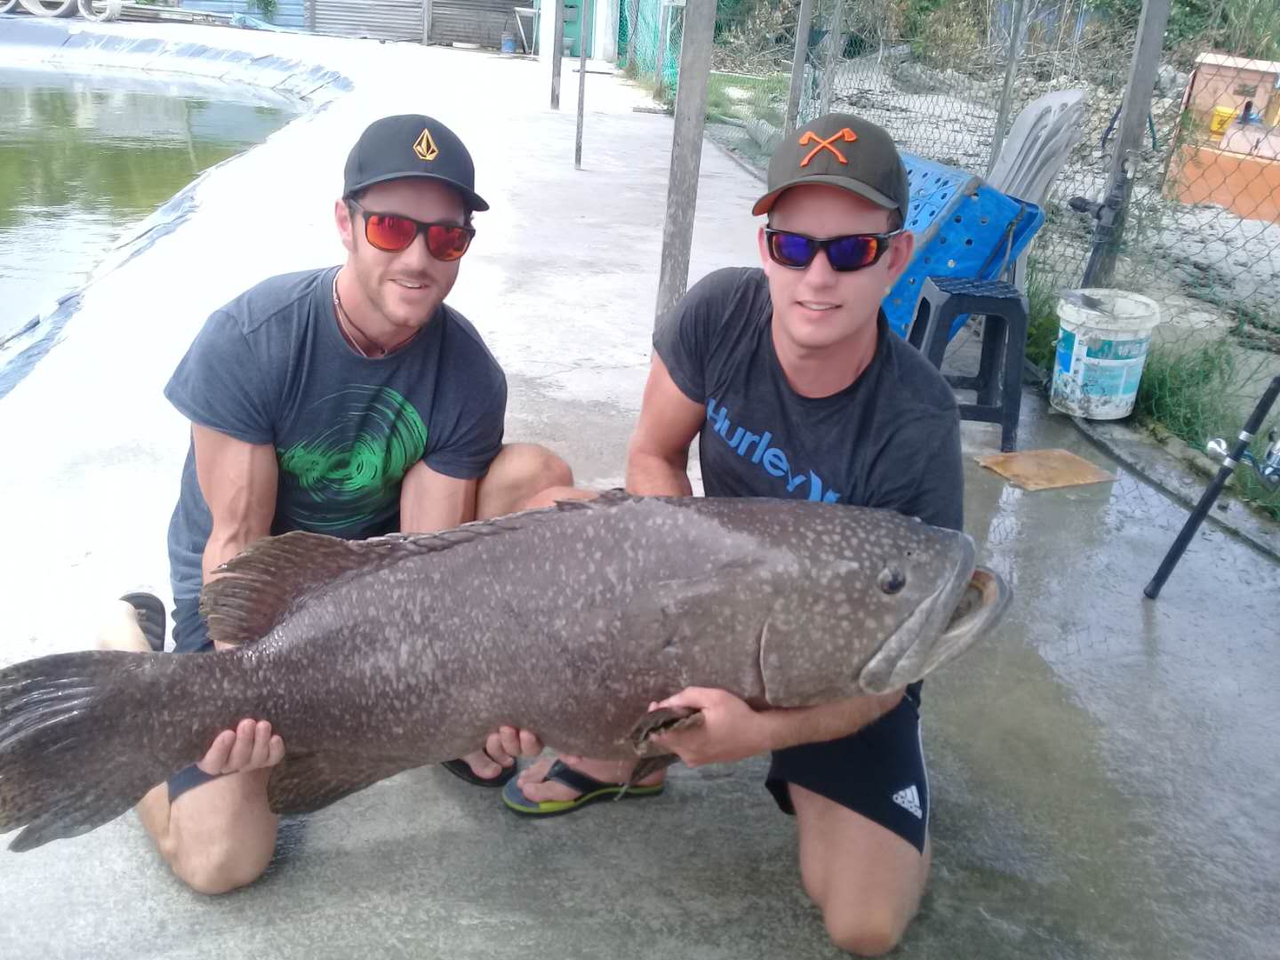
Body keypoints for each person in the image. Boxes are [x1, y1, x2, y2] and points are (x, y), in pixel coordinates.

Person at [504, 113, 963, 956]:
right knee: (545, 528)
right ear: (766, 246)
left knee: (863, 924)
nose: (816, 277)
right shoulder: (720, 311)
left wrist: (763, 733)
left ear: (895, 257)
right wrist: (679, 595)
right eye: (794, 247)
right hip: (711, 591)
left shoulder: (917, 422)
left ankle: (884, 788)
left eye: (850, 251)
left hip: (834, 655)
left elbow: (901, 657)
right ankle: (630, 748)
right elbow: (652, 452)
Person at [99, 114, 566, 895]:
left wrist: (460, 699)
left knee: (533, 476)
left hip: (360, 583)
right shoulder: (252, 337)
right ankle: (126, 651)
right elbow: (236, 550)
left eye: (446, 239)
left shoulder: (468, 372)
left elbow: (425, 575)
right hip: (248, 600)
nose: (419, 259)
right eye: (391, 227)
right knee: (222, 860)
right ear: (344, 224)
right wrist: (242, 695)